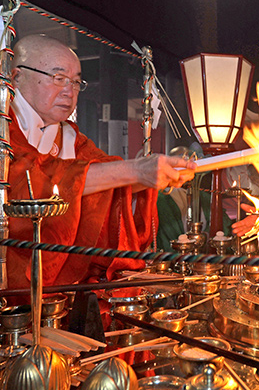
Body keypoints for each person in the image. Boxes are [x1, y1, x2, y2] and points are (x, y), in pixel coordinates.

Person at [6, 34, 195, 289]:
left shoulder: (71, 138)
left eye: (75, 81)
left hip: (62, 287)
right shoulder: (4, 128)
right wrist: (137, 170)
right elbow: (23, 182)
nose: (69, 91)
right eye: (58, 78)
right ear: (16, 76)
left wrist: (154, 175)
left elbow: (104, 179)